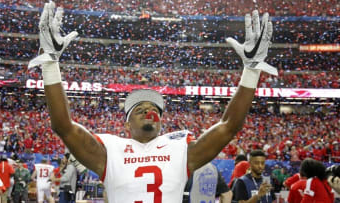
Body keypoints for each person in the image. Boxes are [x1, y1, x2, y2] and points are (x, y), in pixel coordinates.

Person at [28, 1, 277, 202]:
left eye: (154, 109)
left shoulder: (180, 151)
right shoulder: (109, 153)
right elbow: (63, 126)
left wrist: (251, 70)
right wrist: (50, 64)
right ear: (126, 125)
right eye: (140, 109)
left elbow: (228, 126)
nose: (149, 111)